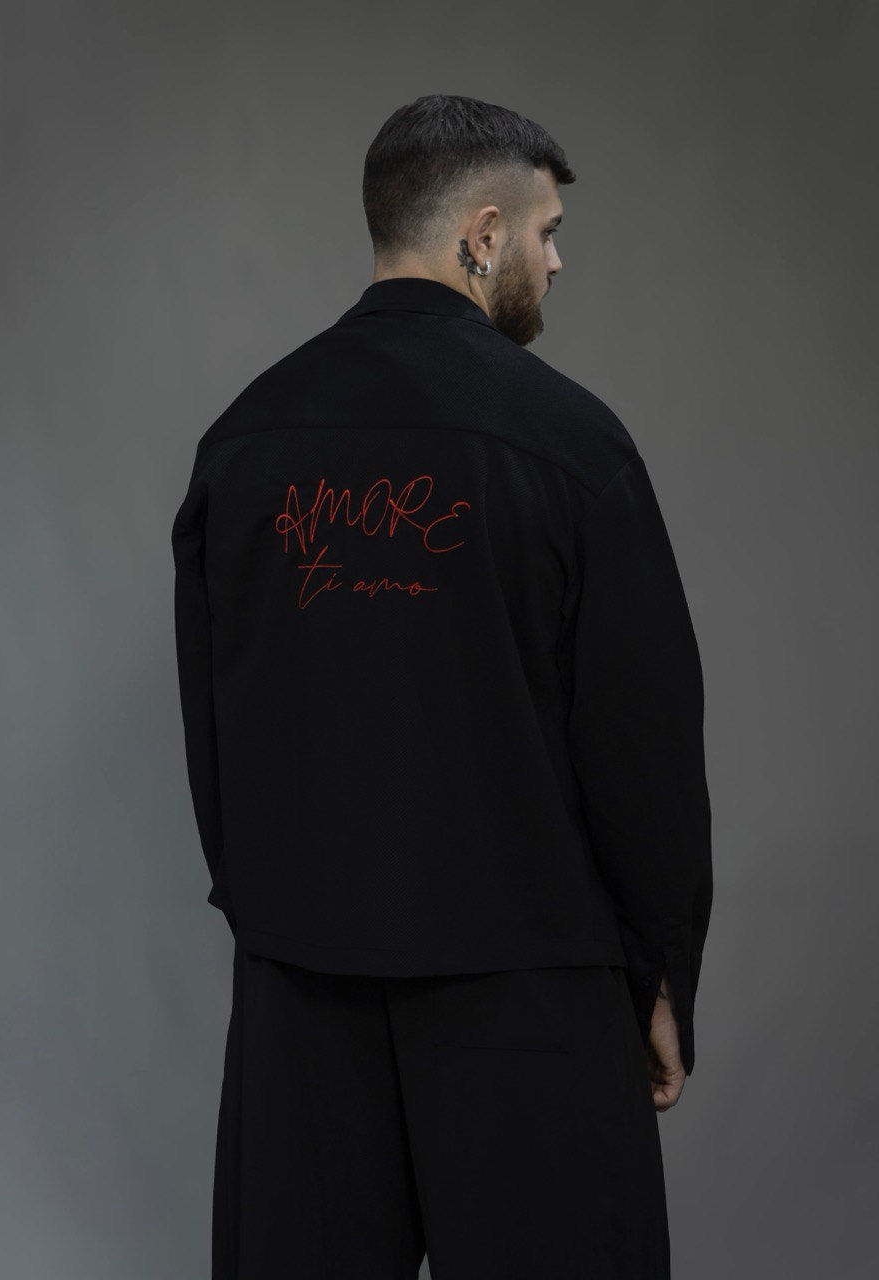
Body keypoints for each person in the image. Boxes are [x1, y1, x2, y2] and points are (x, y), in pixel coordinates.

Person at [171, 92, 713, 1279]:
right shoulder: (572, 446)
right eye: (547, 233)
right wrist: (657, 970)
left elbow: (215, 730)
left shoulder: (244, 443)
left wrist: (276, 920)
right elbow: (644, 747)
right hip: (533, 992)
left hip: (304, 995)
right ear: (481, 232)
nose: (555, 261)